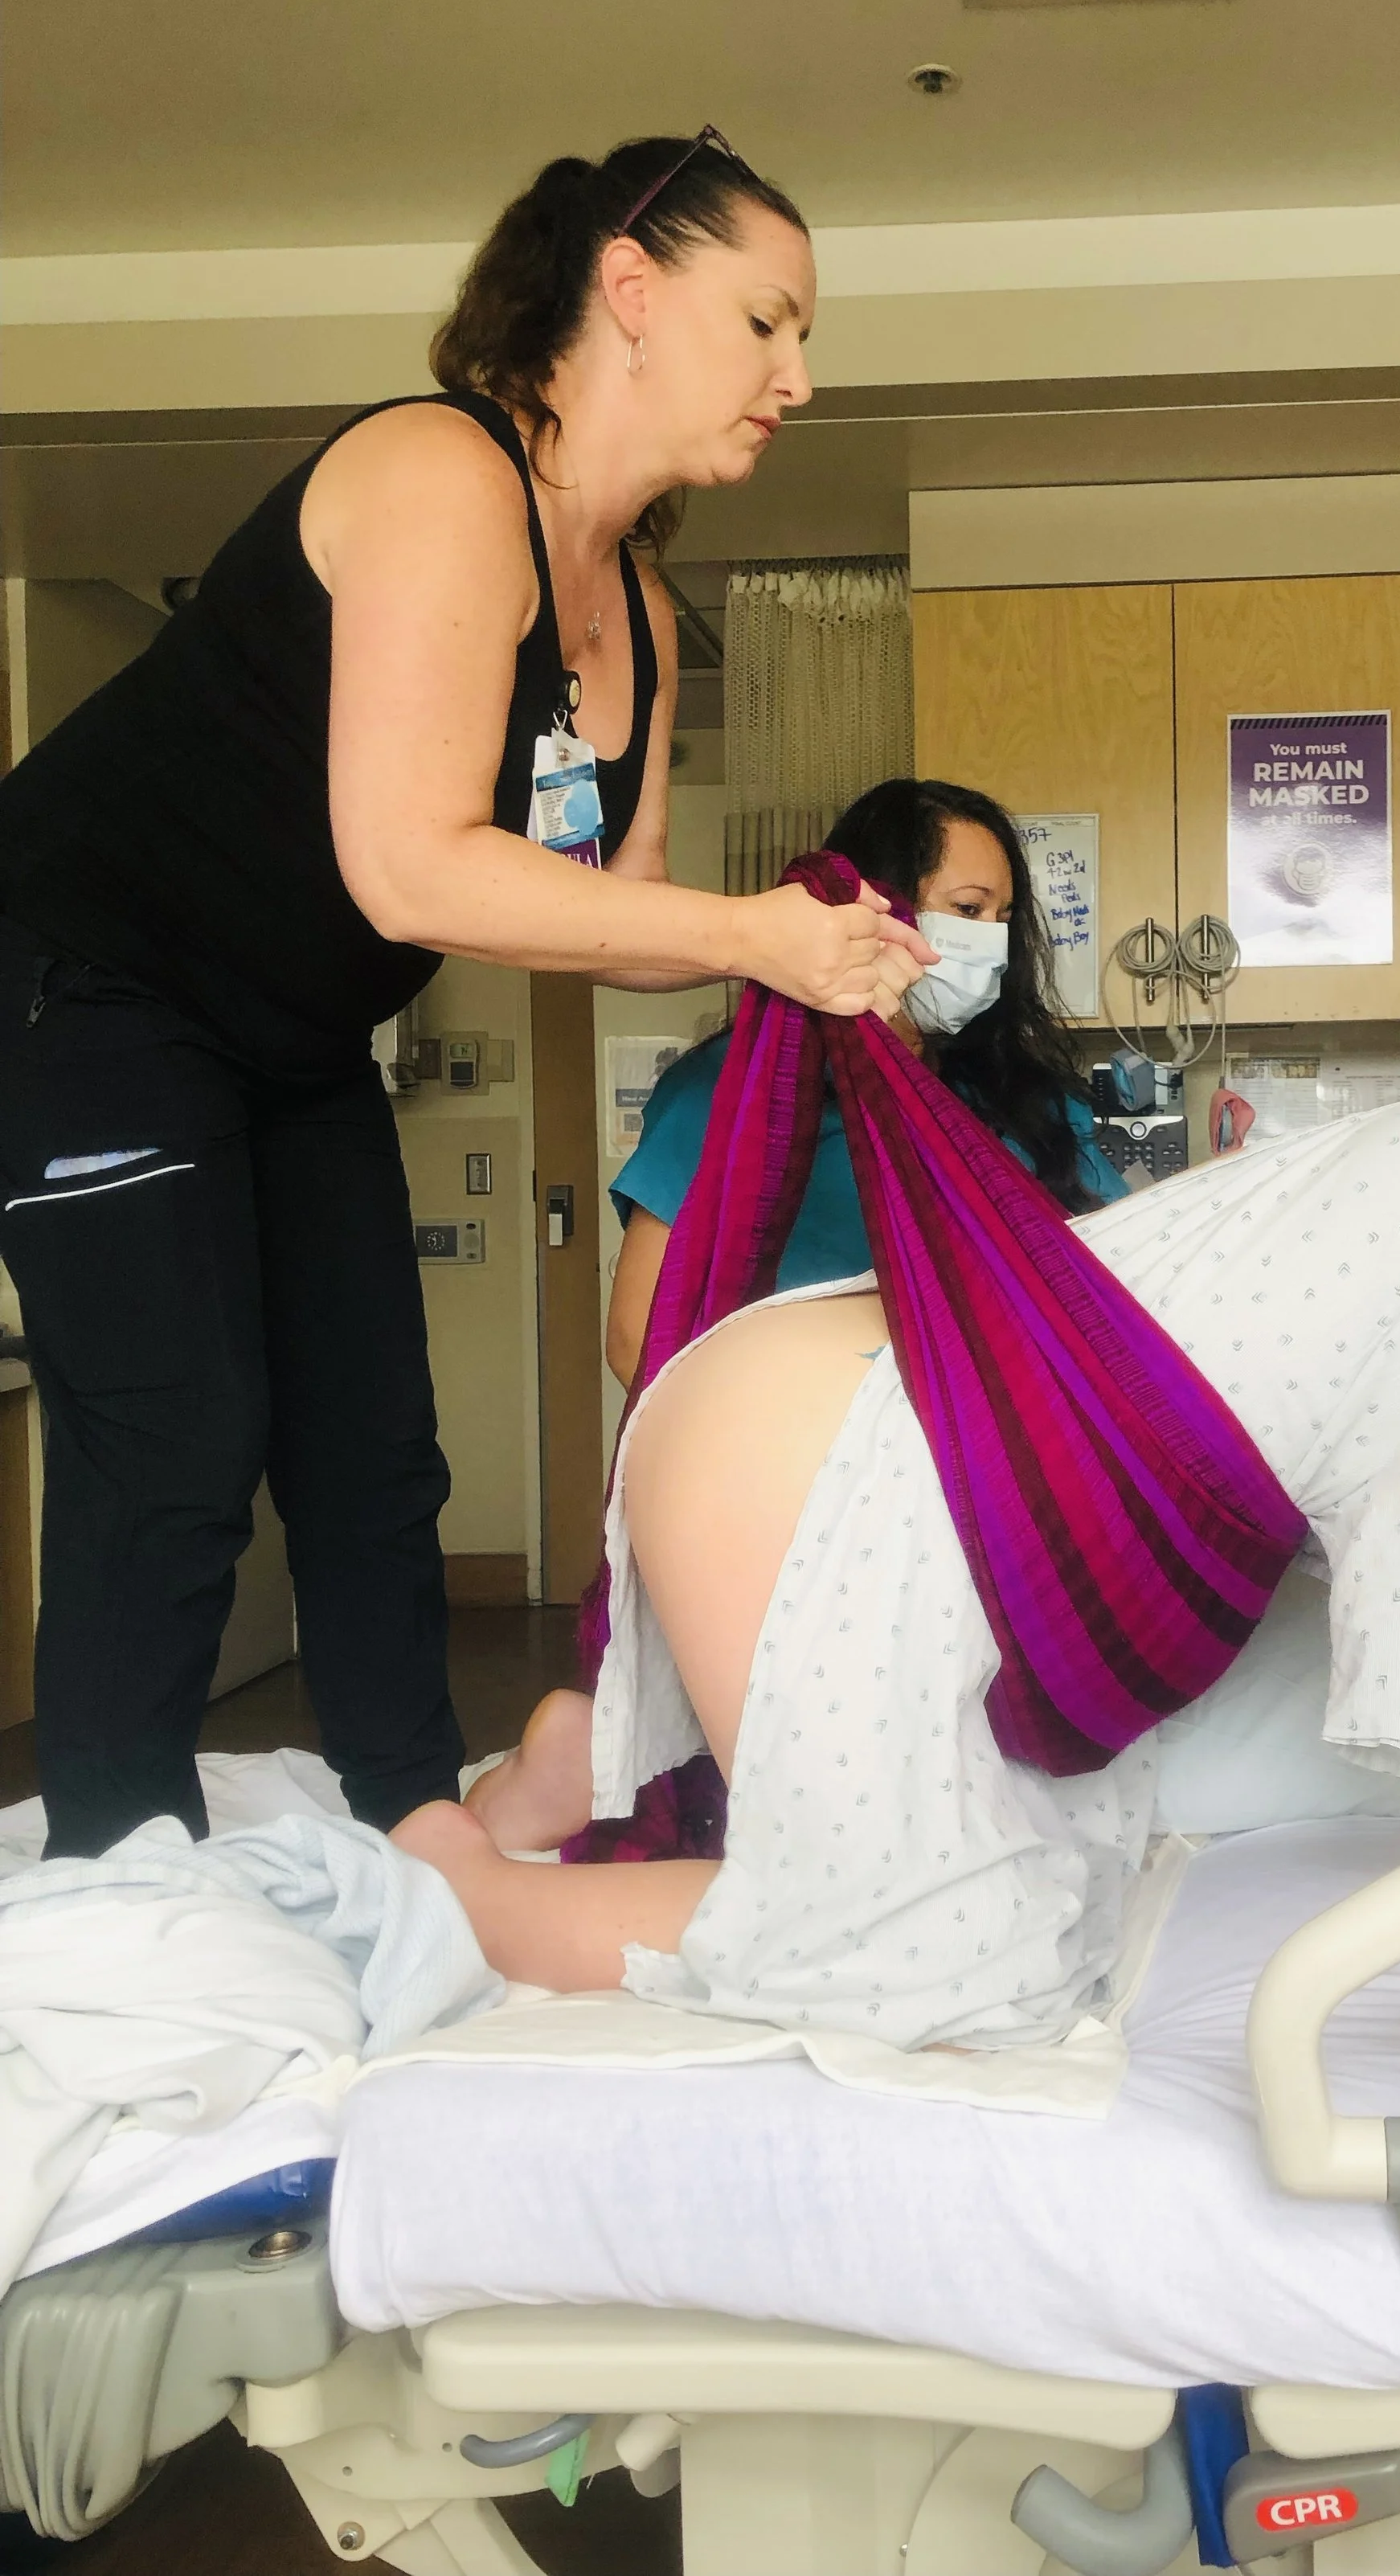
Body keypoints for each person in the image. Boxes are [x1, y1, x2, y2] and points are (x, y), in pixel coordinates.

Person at [0, 129, 927, 1857]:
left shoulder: (639, 614)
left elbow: (606, 914)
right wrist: (747, 936)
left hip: (284, 1028)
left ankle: (411, 1827)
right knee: (179, 1445)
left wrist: (813, 934)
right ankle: (110, 1882)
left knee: (373, 1455)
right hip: (86, 980)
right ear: (630, 293)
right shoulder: (442, 477)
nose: (798, 377)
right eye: (769, 322)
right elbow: (411, 867)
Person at [399, 1075, 1400, 2041]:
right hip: (835, 1462)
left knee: (1057, 1856)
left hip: (828, 1424)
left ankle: (565, 1770)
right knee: (932, 1962)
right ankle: (455, 1887)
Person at [604, 776, 1125, 1386]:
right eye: (966, 909)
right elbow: (636, 1338)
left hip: (1010, 1446)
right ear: (877, 908)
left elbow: (1127, 1258)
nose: (991, 941)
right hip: (809, 1455)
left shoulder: (1026, 1095)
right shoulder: (724, 1095)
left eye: (1003, 916)